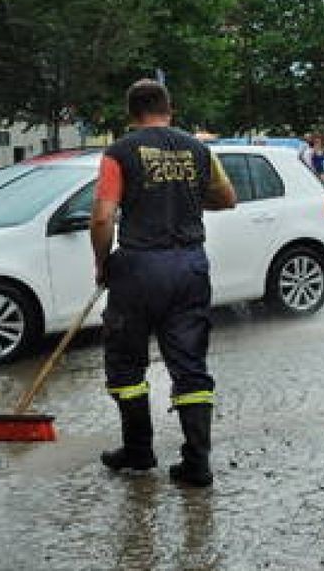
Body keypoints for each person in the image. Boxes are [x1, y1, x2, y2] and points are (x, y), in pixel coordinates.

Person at [90, 79, 237, 487]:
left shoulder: (118, 153)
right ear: (169, 107)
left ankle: (138, 452)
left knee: (126, 364)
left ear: (131, 112)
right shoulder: (199, 150)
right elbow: (228, 198)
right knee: (190, 367)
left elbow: (103, 217)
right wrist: (186, 198)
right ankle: (197, 464)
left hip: (138, 269)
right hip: (190, 267)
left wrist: (102, 263)